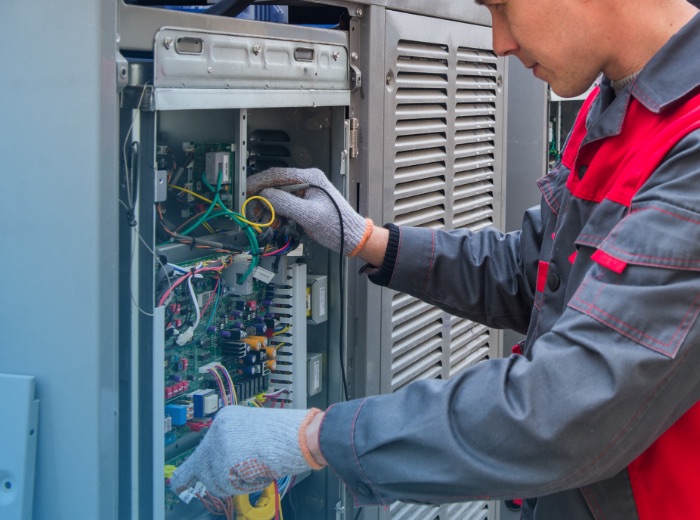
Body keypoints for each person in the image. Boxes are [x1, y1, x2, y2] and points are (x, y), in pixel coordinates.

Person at [171, 0, 700, 517]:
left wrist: (315, 437)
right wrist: (368, 240)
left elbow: (569, 407)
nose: (498, 43)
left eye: (501, 7)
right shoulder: (613, 105)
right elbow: (537, 275)